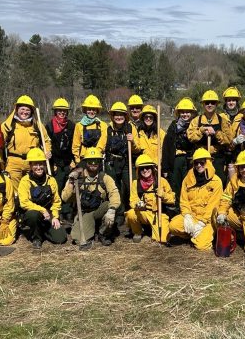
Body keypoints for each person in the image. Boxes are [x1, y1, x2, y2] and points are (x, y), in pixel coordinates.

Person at [61, 147, 121, 250]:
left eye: (96, 161)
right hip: (84, 213)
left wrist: (112, 209)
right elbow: (65, 198)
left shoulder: (105, 178)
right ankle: (91, 231)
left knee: (109, 205)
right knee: (77, 237)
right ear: (85, 162)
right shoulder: (77, 178)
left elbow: (114, 193)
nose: (93, 163)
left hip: (99, 210)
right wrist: (71, 183)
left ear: (100, 162)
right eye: (90, 161)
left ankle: (103, 233)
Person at [168, 148, 223, 251]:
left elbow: (213, 206)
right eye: (196, 163)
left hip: (207, 221)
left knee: (201, 246)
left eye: (202, 162)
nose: (198, 165)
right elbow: (183, 200)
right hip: (192, 216)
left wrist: (202, 222)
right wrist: (187, 215)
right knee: (173, 226)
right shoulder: (187, 179)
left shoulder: (216, 182)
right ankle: (192, 234)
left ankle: (204, 235)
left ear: (208, 162)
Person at [18, 148, 66, 249]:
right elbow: (24, 202)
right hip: (35, 213)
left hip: (49, 214)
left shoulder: (51, 180)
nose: (38, 167)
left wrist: (56, 217)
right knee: (33, 215)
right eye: (35, 164)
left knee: (61, 238)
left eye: (41, 164)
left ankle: (43, 230)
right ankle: (37, 238)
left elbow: (56, 201)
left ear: (44, 165)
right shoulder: (25, 181)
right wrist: (42, 210)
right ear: (30, 166)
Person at [105, 101, 141, 235]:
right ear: (112, 116)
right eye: (116, 115)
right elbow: (101, 145)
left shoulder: (131, 128)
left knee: (130, 185)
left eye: (121, 115)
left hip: (127, 161)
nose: (118, 117)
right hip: (112, 162)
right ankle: (119, 214)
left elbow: (138, 149)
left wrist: (132, 142)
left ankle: (132, 211)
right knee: (115, 188)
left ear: (125, 116)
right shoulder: (107, 129)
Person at [2, 95, 51, 190]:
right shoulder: (8, 125)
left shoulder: (37, 125)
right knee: (13, 190)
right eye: (22, 109)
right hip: (13, 162)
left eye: (27, 110)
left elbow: (46, 140)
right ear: (16, 109)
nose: (24, 112)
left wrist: (47, 151)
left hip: (32, 163)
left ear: (32, 111)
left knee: (31, 189)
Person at [125, 154, 175, 243]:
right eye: (142, 168)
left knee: (162, 239)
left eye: (147, 167)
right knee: (131, 214)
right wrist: (137, 204)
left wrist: (163, 195)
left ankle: (151, 229)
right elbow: (132, 200)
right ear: (138, 171)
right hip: (144, 212)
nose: (145, 170)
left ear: (152, 168)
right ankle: (138, 232)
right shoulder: (135, 183)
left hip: (158, 214)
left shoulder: (161, 181)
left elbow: (172, 199)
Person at [187, 90, 231, 185]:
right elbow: (190, 136)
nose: (210, 105)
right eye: (207, 103)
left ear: (216, 104)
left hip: (217, 158)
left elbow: (228, 139)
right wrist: (201, 131)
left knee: (219, 182)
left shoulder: (222, 121)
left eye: (213, 103)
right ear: (203, 104)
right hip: (200, 159)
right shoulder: (196, 121)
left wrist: (216, 133)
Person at [45, 98, 76, 225]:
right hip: (55, 163)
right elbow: (46, 144)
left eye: (64, 111)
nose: (62, 113)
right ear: (55, 111)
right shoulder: (49, 126)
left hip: (68, 162)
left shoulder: (72, 125)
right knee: (56, 187)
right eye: (59, 110)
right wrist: (51, 163)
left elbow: (75, 144)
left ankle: (67, 212)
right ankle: (57, 213)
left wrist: (74, 161)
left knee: (68, 188)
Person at [162, 97, 197, 205]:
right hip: (176, 160)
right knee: (176, 185)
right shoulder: (173, 126)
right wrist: (165, 168)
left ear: (192, 113)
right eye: (182, 112)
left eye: (187, 112)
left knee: (190, 185)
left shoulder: (195, 125)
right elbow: (167, 146)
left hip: (190, 160)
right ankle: (176, 209)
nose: (185, 114)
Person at [71, 94, 108, 165]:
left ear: (97, 110)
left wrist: (95, 153)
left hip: (97, 158)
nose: (91, 111)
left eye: (94, 109)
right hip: (83, 158)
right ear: (85, 110)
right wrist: (77, 159)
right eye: (89, 109)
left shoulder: (103, 125)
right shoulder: (79, 125)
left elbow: (103, 142)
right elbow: (76, 144)